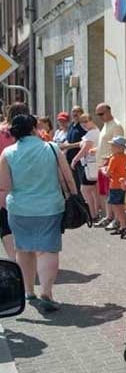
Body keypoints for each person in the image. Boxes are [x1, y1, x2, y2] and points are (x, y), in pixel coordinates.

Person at [0, 114, 75, 312]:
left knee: (23, 249)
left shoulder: (7, 153)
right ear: (34, 128)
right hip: (50, 207)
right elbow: (66, 176)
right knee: (47, 249)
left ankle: (28, 291)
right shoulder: (51, 148)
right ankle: (47, 292)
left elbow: (4, 186)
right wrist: (74, 197)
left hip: (19, 208)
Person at [0, 102, 32, 261]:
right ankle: (28, 257)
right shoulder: (32, 133)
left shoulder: (1, 131)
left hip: (3, 182)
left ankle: (15, 260)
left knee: (5, 222)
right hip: (28, 182)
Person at [93, 103, 125, 230]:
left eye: (102, 114)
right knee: (105, 193)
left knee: (112, 194)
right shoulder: (106, 125)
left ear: (109, 111)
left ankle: (116, 219)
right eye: (98, 115)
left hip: (110, 165)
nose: (100, 117)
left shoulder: (116, 125)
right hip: (103, 164)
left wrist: (110, 159)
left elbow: (118, 146)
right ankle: (109, 216)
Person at [69, 113, 100, 219]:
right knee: (93, 189)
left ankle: (92, 214)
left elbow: (85, 148)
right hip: (90, 164)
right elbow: (82, 144)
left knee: (85, 189)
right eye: (82, 123)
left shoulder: (92, 133)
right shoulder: (93, 132)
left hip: (90, 164)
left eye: (86, 121)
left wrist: (75, 159)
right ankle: (95, 212)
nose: (84, 125)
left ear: (91, 120)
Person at [104, 136, 126, 237]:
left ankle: (123, 226)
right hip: (123, 185)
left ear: (119, 147)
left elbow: (108, 173)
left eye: (113, 146)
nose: (111, 147)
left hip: (115, 185)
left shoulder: (114, 158)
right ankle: (123, 226)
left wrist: (103, 169)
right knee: (120, 206)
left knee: (117, 207)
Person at [60, 106, 86, 192]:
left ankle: (83, 204)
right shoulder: (72, 125)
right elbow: (68, 139)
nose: (75, 113)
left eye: (77, 111)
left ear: (82, 113)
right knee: (74, 184)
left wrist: (69, 146)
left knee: (81, 185)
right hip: (70, 160)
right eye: (73, 111)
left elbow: (84, 143)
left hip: (80, 161)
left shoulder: (83, 126)